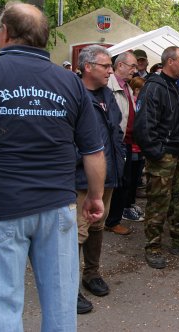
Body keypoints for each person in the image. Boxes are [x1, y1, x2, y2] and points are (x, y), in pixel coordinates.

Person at [0, 1, 105, 331]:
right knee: (62, 303)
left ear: (5, 34)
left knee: (2, 303)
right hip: (57, 207)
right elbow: (93, 151)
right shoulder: (70, 82)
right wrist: (95, 197)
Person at [134, 46, 179, 269]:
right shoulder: (154, 88)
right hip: (163, 156)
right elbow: (144, 126)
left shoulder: (174, 86)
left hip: (178, 153)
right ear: (170, 62)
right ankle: (153, 247)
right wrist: (157, 153)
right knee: (158, 202)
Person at [75, 45, 125, 314]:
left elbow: (115, 130)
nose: (110, 70)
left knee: (97, 227)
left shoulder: (107, 94)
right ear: (88, 67)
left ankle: (91, 274)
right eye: (106, 66)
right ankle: (68, 288)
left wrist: (119, 160)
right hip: (82, 179)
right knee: (76, 233)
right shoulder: (73, 94)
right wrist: (79, 165)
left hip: (108, 175)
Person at [105, 51, 144, 233]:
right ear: (120, 65)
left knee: (124, 183)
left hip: (126, 143)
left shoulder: (126, 86)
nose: (135, 70)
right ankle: (108, 221)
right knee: (112, 183)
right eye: (132, 66)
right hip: (114, 144)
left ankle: (113, 220)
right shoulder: (109, 87)